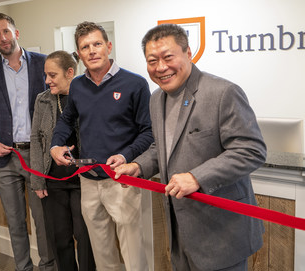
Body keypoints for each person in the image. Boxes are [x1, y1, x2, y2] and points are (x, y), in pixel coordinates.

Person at [114, 23, 266, 271]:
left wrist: (197, 177)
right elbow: (162, 147)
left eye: (168, 57)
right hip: (180, 234)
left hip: (221, 235)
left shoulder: (223, 92)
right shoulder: (156, 98)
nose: (160, 67)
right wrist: (137, 166)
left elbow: (251, 150)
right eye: (152, 61)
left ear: (188, 53)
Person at [50, 21, 153, 271]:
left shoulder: (135, 84)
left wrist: (126, 155)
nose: (92, 50)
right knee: (102, 253)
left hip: (122, 180)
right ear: (79, 54)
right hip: (88, 181)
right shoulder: (77, 86)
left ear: (108, 46)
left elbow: (148, 132)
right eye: (85, 47)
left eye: (97, 44)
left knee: (133, 255)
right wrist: (55, 145)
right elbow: (67, 119)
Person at [0, 13, 55, 271]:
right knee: (14, 220)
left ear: (16, 32)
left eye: (6, 31)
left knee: (43, 219)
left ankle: (48, 266)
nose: (3, 38)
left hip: (36, 156)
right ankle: (24, 267)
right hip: (3, 157)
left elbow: (55, 107)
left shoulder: (42, 64)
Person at [30, 50, 96, 271]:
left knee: (85, 237)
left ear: (70, 72)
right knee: (60, 238)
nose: (47, 80)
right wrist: (38, 179)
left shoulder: (88, 96)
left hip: (83, 181)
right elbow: (36, 140)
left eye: (52, 75)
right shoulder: (43, 100)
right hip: (53, 181)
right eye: (45, 75)